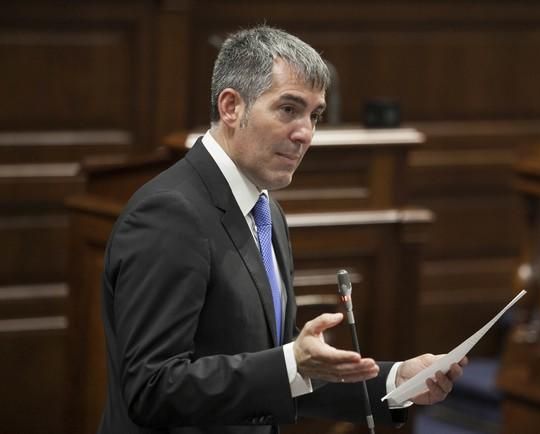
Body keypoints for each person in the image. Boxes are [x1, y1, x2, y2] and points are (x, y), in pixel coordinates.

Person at [98, 25, 467, 434]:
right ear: (231, 107)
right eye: (288, 109)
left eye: (315, 115)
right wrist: (291, 361)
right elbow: (151, 387)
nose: (305, 133)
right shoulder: (169, 214)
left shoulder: (266, 211)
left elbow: (274, 361)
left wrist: (396, 381)